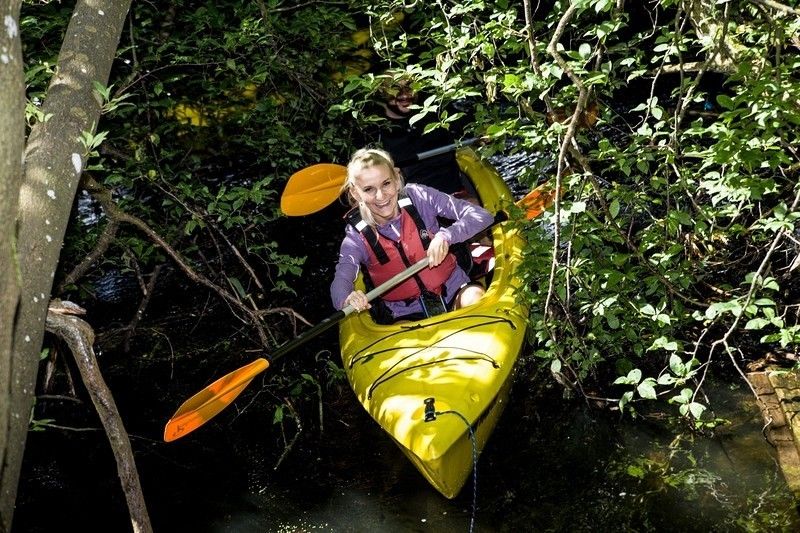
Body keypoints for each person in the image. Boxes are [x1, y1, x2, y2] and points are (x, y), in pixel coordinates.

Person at [330, 148, 494, 322]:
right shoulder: (356, 235)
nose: (380, 196)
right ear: (356, 193)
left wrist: (446, 236)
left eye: (386, 183)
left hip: (454, 290)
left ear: (396, 178)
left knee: (475, 297)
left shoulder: (419, 196)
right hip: (406, 314)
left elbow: (482, 216)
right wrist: (347, 299)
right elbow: (342, 277)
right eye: (369, 189)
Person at [372, 76, 468, 195]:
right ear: (382, 91)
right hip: (411, 202)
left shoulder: (436, 114)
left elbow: (469, 128)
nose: (405, 95)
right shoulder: (375, 132)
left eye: (409, 87)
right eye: (396, 88)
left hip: (455, 194)